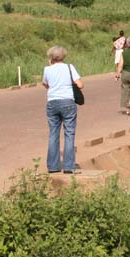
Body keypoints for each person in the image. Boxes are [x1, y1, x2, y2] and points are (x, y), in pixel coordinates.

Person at [42, 45, 85, 174]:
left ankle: (53, 166)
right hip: (67, 102)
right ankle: (68, 166)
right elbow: (80, 84)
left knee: (53, 134)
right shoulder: (69, 67)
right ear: (63, 56)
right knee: (69, 133)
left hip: (52, 102)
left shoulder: (47, 69)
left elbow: (45, 84)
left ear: (51, 57)